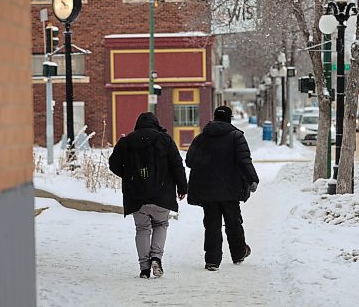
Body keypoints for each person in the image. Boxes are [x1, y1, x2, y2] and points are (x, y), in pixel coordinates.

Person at [109, 112, 187, 279]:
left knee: (142, 229)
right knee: (161, 224)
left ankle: (144, 268)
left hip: (136, 195)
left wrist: (129, 175)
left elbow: (113, 164)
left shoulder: (126, 141)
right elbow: (176, 164)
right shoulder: (165, 140)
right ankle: (156, 258)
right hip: (162, 193)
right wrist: (182, 187)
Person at [186, 106, 259, 271]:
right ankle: (239, 253)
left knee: (212, 224)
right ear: (229, 118)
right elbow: (244, 160)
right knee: (233, 222)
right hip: (230, 188)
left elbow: (189, 161)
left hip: (207, 189)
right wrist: (252, 179)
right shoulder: (236, 137)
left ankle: (212, 260)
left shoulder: (201, 138)